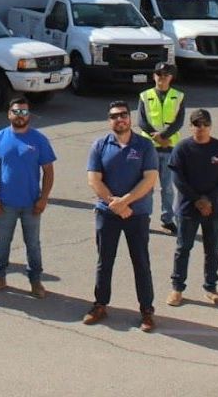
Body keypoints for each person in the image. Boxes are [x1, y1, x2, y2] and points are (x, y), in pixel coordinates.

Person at [84, 100, 160, 333]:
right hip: (107, 214)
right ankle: (100, 305)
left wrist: (125, 202)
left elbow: (149, 179)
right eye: (115, 116)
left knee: (141, 262)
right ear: (110, 121)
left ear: (130, 118)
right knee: (104, 261)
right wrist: (113, 204)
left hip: (136, 214)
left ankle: (146, 310)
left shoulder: (145, 146)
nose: (120, 119)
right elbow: (94, 179)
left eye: (124, 115)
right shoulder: (99, 145)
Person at [0, 96, 56, 297]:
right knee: (2, 241)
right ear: (9, 114)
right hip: (5, 204)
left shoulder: (39, 140)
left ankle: (35, 281)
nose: (20, 115)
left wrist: (43, 198)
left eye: (24, 112)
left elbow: (48, 171)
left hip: (32, 204)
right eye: (16, 111)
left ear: (29, 115)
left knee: (33, 244)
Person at [167, 108, 218, 307]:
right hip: (189, 208)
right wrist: (197, 200)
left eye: (205, 124)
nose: (201, 128)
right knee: (183, 248)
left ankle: (211, 287)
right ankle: (177, 288)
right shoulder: (182, 148)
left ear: (211, 126)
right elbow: (178, 180)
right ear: (191, 126)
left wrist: (210, 200)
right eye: (197, 124)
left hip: (213, 208)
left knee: (212, 249)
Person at [137, 61, 185, 234]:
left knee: (168, 188)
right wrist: (155, 136)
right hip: (149, 149)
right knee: (146, 187)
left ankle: (167, 219)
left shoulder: (178, 96)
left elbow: (179, 121)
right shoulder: (145, 95)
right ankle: (144, 217)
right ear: (154, 76)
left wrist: (164, 136)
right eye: (158, 74)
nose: (161, 78)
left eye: (165, 75)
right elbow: (141, 121)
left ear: (171, 77)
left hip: (169, 148)